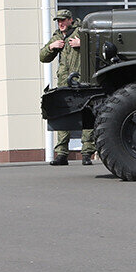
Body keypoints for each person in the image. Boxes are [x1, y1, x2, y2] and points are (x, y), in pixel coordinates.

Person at [39, 9, 95, 166]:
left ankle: (86, 153)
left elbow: (97, 45)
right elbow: (43, 57)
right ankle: (62, 154)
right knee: (63, 116)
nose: (61, 23)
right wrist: (51, 47)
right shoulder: (57, 36)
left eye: (63, 20)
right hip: (64, 82)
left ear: (71, 20)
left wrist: (82, 43)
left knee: (86, 115)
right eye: (58, 21)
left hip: (83, 80)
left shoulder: (81, 31)